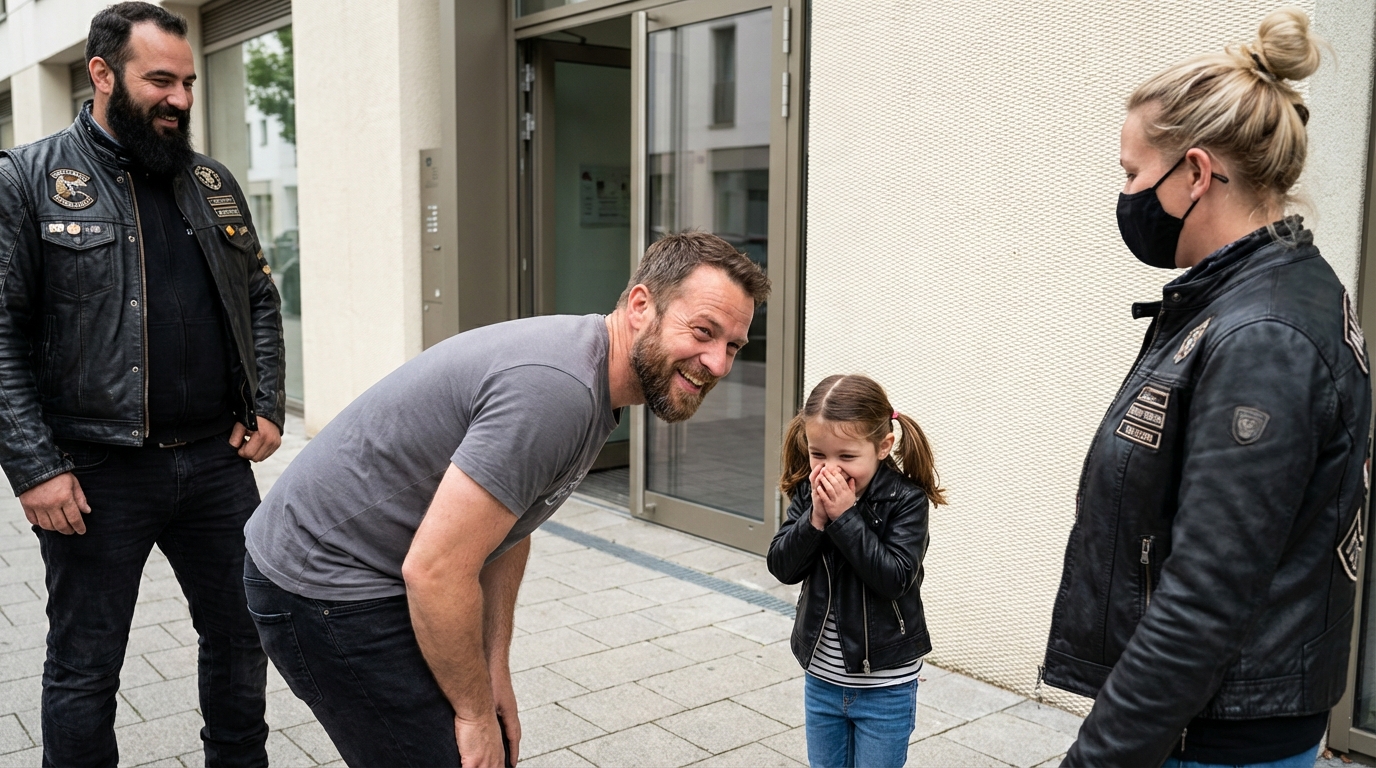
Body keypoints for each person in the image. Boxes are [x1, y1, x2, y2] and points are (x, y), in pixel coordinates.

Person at [241, 231, 769, 767]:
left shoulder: (594, 376)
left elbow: (507, 532)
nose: (719, 364)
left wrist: (494, 673)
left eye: (732, 346)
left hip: (379, 566)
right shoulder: (556, 391)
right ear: (640, 305)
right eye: (704, 332)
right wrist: (473, 716)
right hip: (320, 579)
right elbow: (437, 570)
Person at [1041, 9, 1371, 767]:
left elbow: (1204, 599)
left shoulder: (1263, 335)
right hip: (1212, 725)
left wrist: (1097, 759)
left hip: (1212, 740)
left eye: (1132, 173)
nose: (1126, 193)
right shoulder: (1257, 295)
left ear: (1195, 172)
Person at [0, 3, 286, 765]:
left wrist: (266, 404)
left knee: (241, 635)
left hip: (216, 466)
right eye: (160, 80)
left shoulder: (211, 181)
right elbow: (0, 332)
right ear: (102, 74)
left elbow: (259, 295)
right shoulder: (27, 181)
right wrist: (34, 467)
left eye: (188, 82)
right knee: (85, 667)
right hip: (94, 475)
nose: (181, 99)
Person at [766, 374, 945, 768]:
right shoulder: (808, 492)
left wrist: (845, 517)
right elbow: (782, 565)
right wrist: (814, 518)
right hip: (822, 679)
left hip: (885, 685)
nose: (830, 469)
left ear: (883, 447)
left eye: (846, 457)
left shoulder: (905, 500)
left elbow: (895, 578)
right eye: (819, 455)